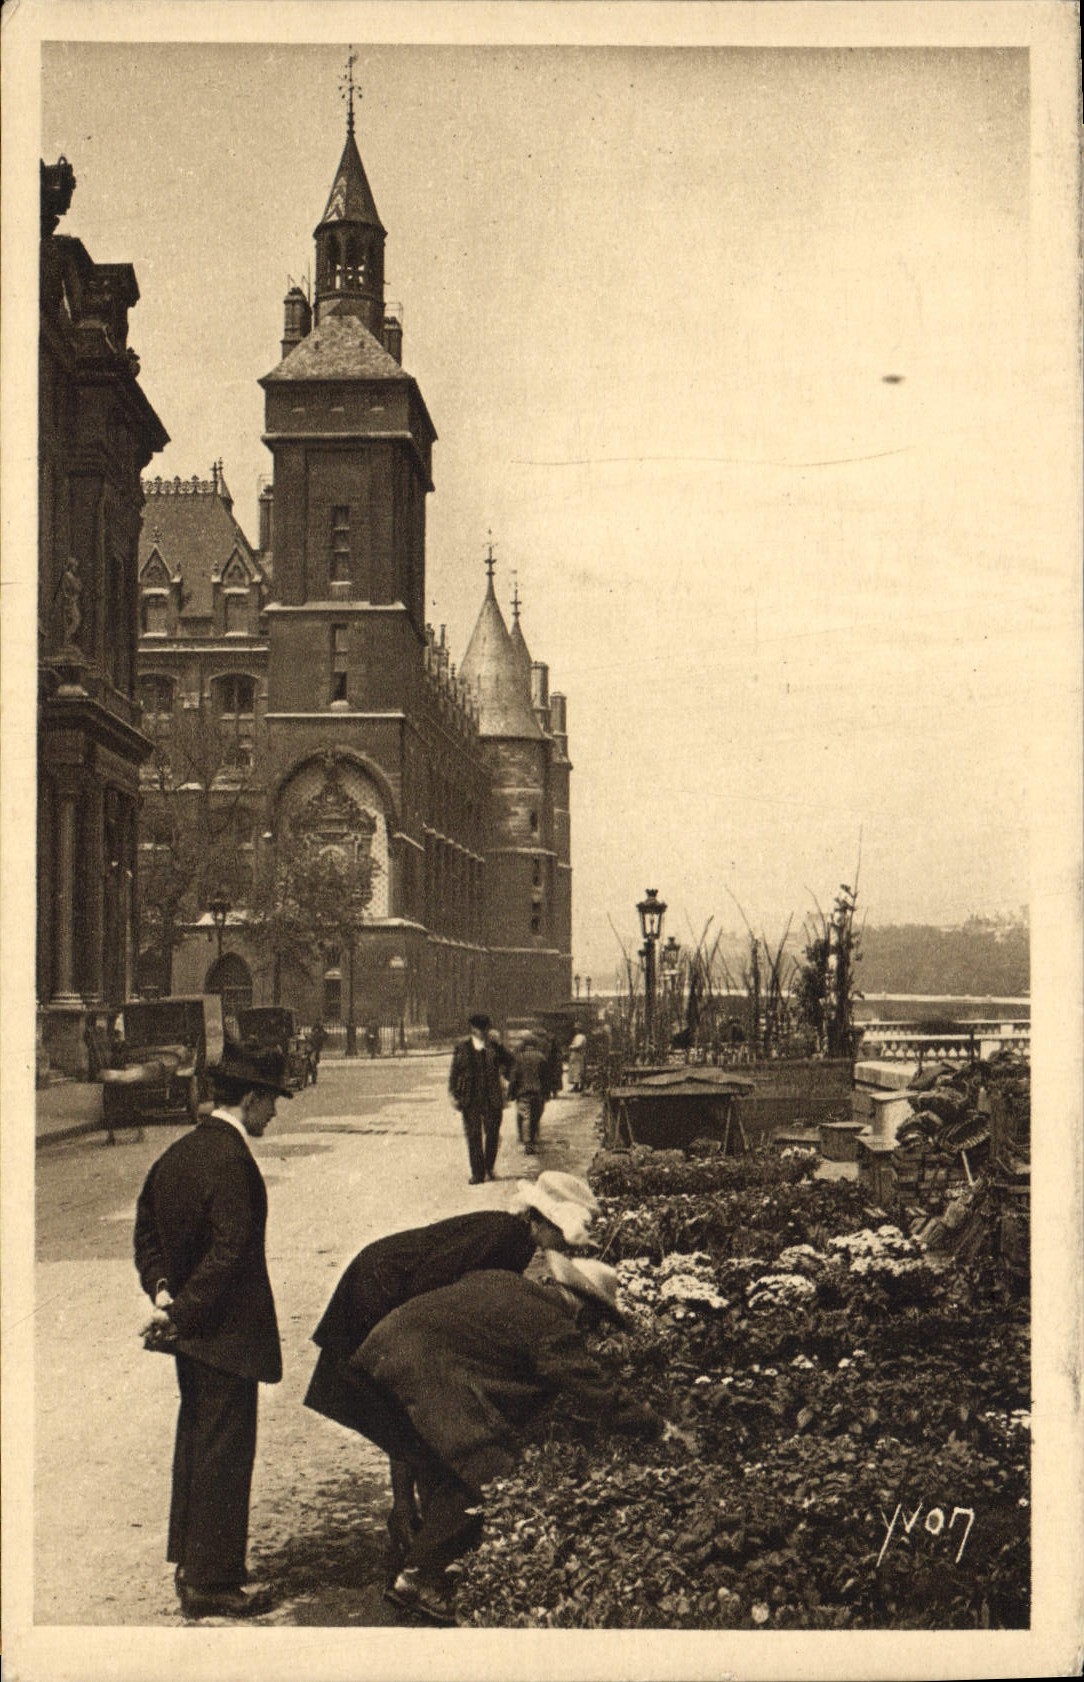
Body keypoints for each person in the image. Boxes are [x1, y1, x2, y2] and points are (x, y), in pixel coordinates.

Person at [302, 1172, 599, 1575]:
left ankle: (414, 1531)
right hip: (373, 1309)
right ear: (543, 1221)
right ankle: (416, 1546)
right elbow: (424, 1307)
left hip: (379, 1306)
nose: (564, 1248)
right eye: (562, 1235)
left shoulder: (506, 1234)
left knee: (418, 1429)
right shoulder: (505, 1239)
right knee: (421, 1428)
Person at [352, 1251, 663, 1625]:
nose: (593, 1331)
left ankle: (422, 1554)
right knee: (488, 1466)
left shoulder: (505, 1280)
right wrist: (654, 1426)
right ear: (583, 1309)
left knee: (441, 1454)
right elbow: (589, 1388)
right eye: (596, 1320)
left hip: (380, 1348)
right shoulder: (551, 1323)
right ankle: (419, 1576)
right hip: (422, 1368)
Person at [133, 1042, 292, 1619]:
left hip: (192, 1337)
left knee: (196, 1446)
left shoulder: (177, 1154)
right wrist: (184, 1313)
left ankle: (190, 1564)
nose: (274, 1113)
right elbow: (230, 1255)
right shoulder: (233, 1162)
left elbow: (145, 1229)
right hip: (226, 1337)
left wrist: (164, 1294)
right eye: (271, 1101)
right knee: (225, 1456)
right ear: (250, 1099)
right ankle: (214, 1583)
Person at [448, 1013, 512, 1184]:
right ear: (473, 1029)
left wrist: (500, 1045)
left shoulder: (494, 1047)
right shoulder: (462, 1048)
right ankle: (477, 1173)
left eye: (485, 1029)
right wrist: (453, 1094)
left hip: (492, 1098)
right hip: (471, 1098)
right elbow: (454, 1073)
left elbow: (511, 1063)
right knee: (473, 1136)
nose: (482, 1032)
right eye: (479, 1029)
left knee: (492, 1134)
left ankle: (489, 1167)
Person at [507, 1032, 548, 1155]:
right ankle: (533, 1137)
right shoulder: (541, 1057)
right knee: (536, 1116)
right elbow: (546, 1077)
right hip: (538, 1091)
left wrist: (511, 1092)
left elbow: (514, 1077)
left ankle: (528, 1142)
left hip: (523, 1092)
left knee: (526, 1116)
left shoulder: (519, 1058)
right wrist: (546, 1092)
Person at [567, 1023, 588, 1092]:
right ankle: (578, 1086)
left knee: (577, 1070)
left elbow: (578, 1045)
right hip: (578, 1054)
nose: (576, 1030)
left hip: (577, 1054)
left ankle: (577, 1086)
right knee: (577, 1070)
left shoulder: (580, 1036)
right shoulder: (580, 1036)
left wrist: (571, 1047)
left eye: (577, 1029)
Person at [307, 1021, 326, 1085]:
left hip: (314, 1050)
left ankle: (313, 1078)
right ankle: (313, 1078)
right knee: (313, 1064)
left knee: (313, 1063)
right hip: (313, 1050)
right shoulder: (316, 1035)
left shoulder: (317, 1035)